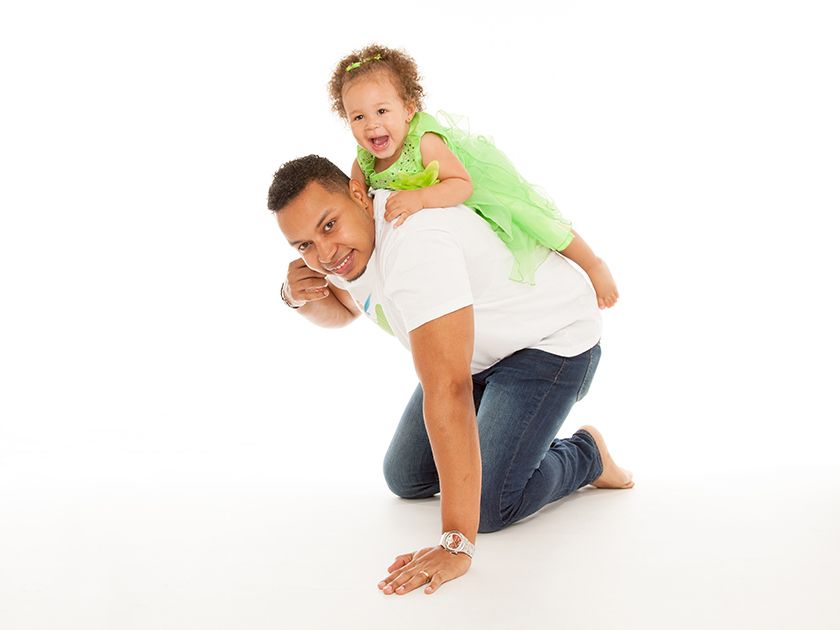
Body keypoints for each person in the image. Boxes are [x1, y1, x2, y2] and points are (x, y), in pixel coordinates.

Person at [268, 154, 634, 597]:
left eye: (328, 226)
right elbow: (344, 308)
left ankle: (586, 454)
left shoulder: (414, 243)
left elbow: (449, 387)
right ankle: (507, 436)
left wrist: (456, 542)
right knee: (405, 478)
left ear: (360, 196)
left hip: (547, 343)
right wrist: (294, 296)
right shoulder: (346, 254)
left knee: (490, 507)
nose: (324, 255)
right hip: (476, 354)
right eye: (304, 245)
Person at [328, 44, 619, 308]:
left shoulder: (424, 143)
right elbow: (357, 198)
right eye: (358, 117)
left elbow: (462, 185)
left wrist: (420, 198)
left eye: (381, 111)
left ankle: (592, 264)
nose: (371, 125)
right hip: (443, 236)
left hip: (466, 187)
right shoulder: (364, 159)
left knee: (530, 217)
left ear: (408, 109)